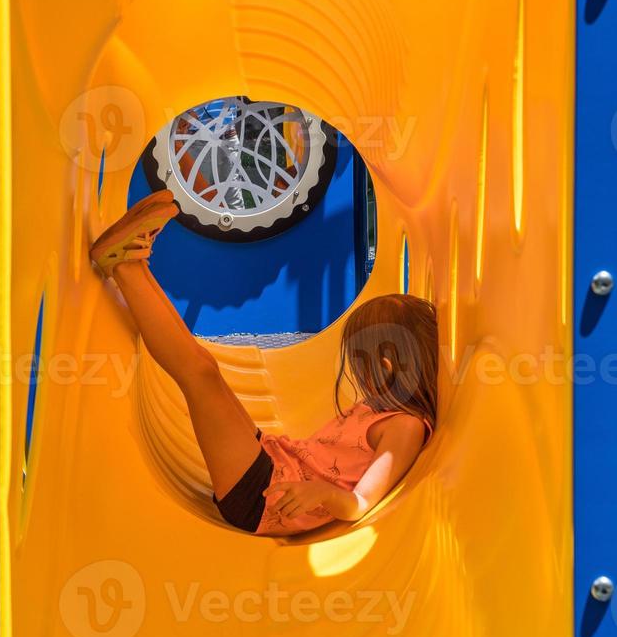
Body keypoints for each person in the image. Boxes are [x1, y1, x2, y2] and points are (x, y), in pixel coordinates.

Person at [90, 190, 438, 537]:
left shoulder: (404, 427)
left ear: (389, 365)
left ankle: (123, 265)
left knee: (199, 376)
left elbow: (362, 502)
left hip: (263, 499)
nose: (361, 376)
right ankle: (132, 262)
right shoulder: (384, 408)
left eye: (362, 363)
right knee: (206, 367)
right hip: (272, 462)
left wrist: (323, 495)